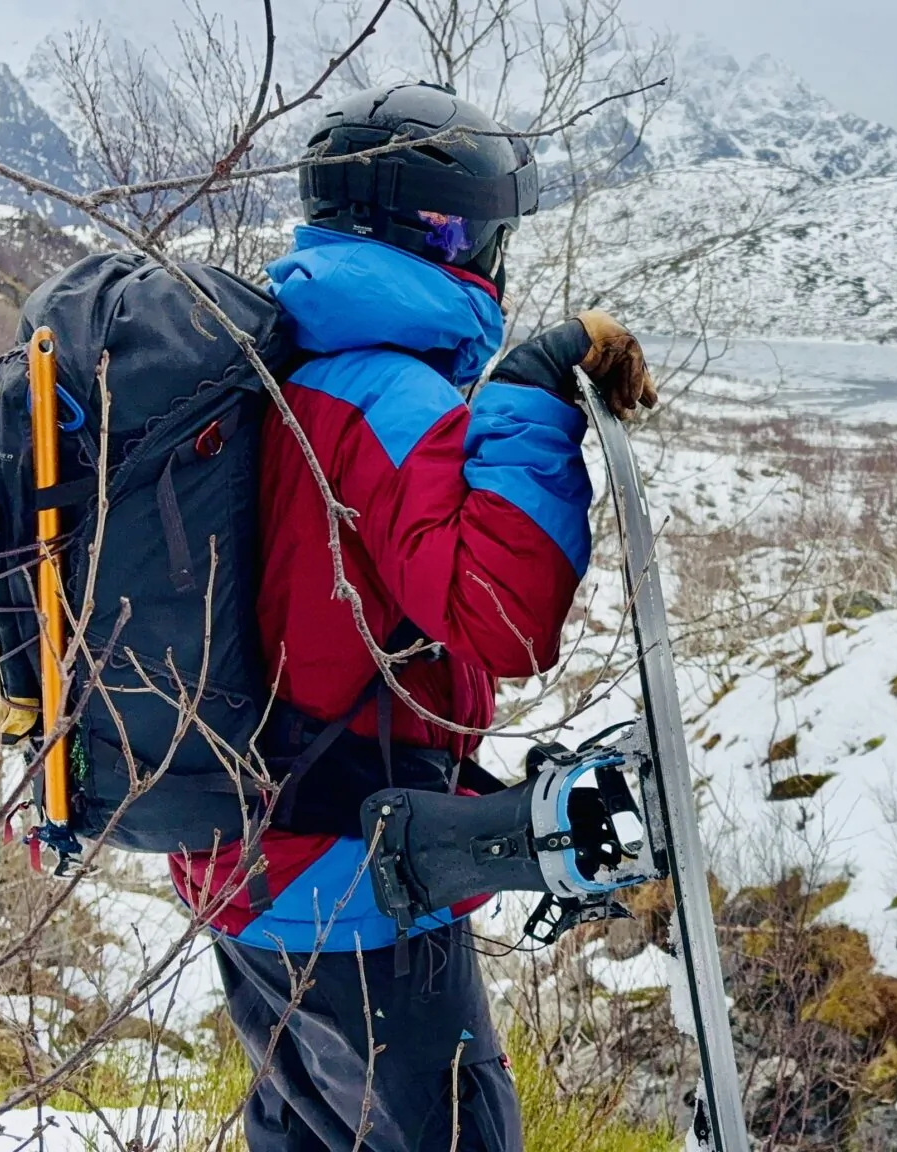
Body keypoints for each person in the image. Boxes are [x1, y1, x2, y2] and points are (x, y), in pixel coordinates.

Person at [167, 81, 656, 1152]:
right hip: (352, 877)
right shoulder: (388, 397)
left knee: (307, 1129)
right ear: (447, 235)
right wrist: (529, 393)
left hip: (238, 857)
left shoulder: (277, 370)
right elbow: (507, 619)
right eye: (483, 230)